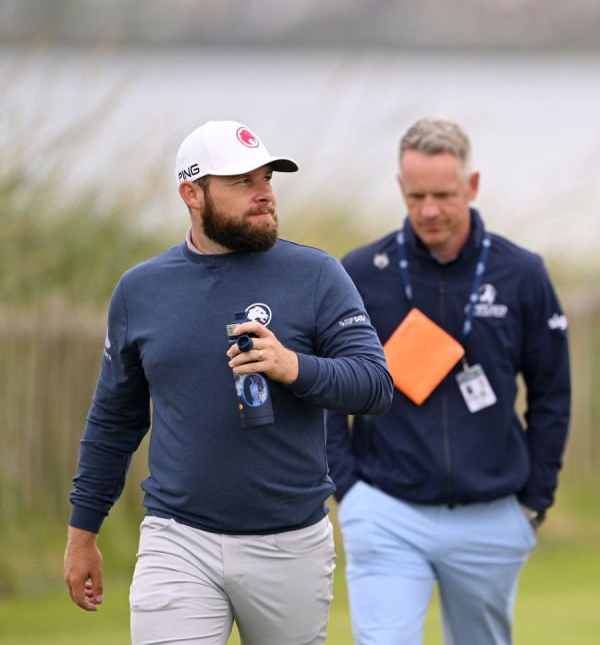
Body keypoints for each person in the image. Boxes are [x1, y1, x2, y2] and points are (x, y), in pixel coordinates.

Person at [64, 120, 393, 645]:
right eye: (243, 182)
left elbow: (374, 385)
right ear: (191, 193)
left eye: (267, 178)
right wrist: (82, 535)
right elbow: (114, 420)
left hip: (291, 545)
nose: (265, 194)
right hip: (177, 538)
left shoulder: (317, 275)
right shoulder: (140, 290)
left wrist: (293, 366)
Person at [327, 117, 571, 645]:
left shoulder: (522, 273)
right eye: (416, 196)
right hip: (385, 508)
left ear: (473, 186)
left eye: (444, 194)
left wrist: (534, 502)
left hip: (492, 515)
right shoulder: (362, 272)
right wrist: (349, 491)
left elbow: (552, 394)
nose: (429, 210)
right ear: (400, 188)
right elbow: (330, 388)